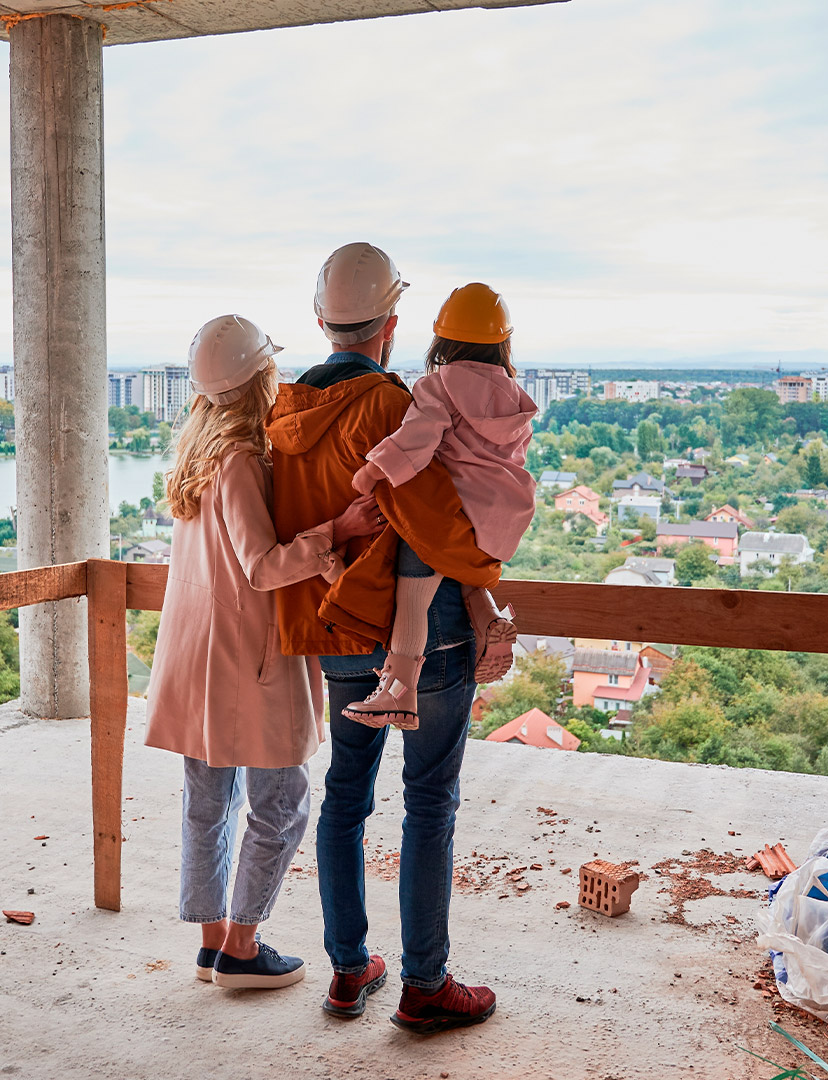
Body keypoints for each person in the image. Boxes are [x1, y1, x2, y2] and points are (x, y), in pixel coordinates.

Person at [267, 243, 503, 1034]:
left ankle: (345, 969)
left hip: (336, 629)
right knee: (429, 803)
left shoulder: (284, 411)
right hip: (422, 638)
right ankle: (424, 986)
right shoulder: (392, 404)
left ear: (319, 319)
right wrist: (489, 571)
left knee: (345, 796)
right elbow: (438, 525)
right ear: (393, 323)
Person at [141, 314, 384, 991]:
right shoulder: (244, 458)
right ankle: (243, 949)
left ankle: (212, 942)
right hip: (243, 655)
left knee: (207, 801)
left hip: (193, 652)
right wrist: (339, 528)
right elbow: (261, 566)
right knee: (281, 802)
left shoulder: (196, 452)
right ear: (259, 376)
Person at [342, 283, 535, 728]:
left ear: (442, 339)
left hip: (449, 515)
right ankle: (489, 620)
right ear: (503, 343)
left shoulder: (439, 385)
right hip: (501, 521)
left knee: (413, 597)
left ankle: (399, 691)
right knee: (465, 570)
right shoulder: (516, 397)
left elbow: (416, 441)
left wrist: (372, 472)